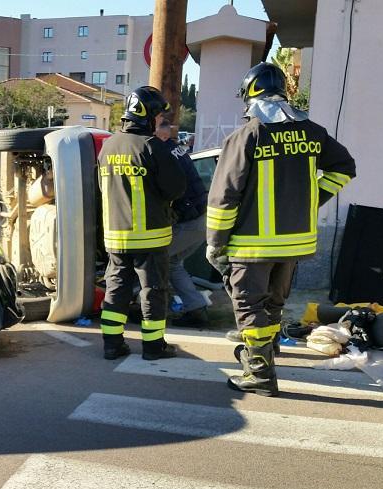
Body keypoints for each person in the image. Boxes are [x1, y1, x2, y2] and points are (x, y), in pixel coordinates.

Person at [206, 62, 356, 396]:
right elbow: (345, 166)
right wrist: (312, 199)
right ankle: (267, 350)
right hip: (293, 244)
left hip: (252, 246)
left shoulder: (247, 136)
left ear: (249, 95)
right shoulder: (311, 132)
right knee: (273, 302)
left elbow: (224, 197)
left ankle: (259, 373)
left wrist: (215, 245)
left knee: (248, 306)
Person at [98, 86, 187, 361]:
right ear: (148, 117)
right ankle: (152, 347)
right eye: (158, 116)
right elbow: (176, 189)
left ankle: (112, 345)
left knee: (116, 290)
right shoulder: (152, 147)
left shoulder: (107, 147)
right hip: (150, 237)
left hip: (115, 237)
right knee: (153, 292)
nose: (160, 121)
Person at [153, 114, 209, 328]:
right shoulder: (178, 150)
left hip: (190, 221)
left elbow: (167, 190)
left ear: (163, 133)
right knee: (172, 262)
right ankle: (195, 309)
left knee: (156, 261)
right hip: (199, 219)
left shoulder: (165, 153)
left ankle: (152, 309)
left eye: (153, 130)